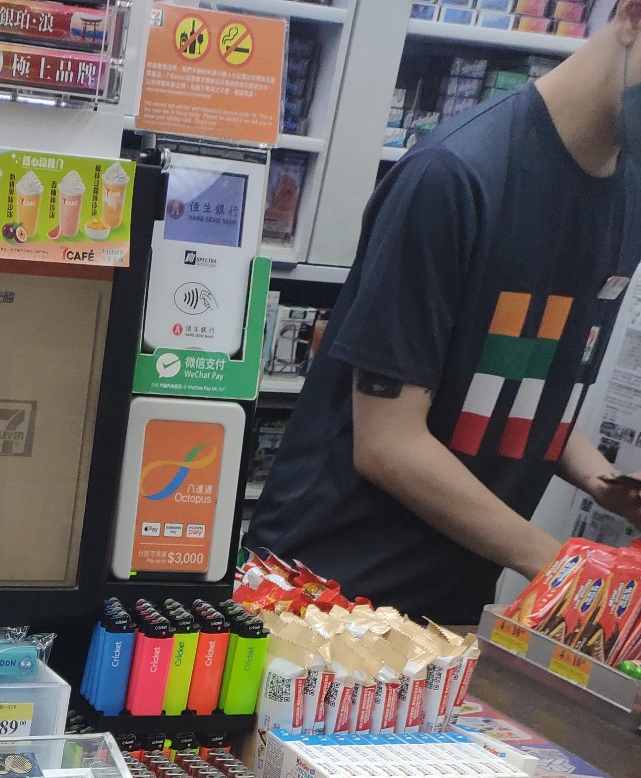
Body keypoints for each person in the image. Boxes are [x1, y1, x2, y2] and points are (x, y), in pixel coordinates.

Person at [251, 0, 641, 624]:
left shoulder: (628, 192)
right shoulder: (455, 176)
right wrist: (568, 572)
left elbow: (526, 379)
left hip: (451, 602)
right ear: (631, 17)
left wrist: (604, 482)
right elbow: (387, 443)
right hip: (326, 596)